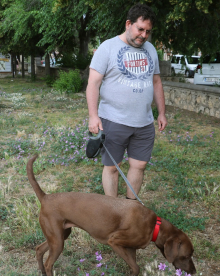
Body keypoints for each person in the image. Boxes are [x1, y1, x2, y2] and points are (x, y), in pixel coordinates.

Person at [86, 3, 167, 199]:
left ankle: (130, 210)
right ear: (128, 24)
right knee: (113, 168)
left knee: (139, 165)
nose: (144, 35)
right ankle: (112, 211)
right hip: (113, 120)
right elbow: (93, 84)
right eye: (140, 29)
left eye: (148, 31)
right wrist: (93, 116)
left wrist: (162, 113)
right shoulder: (108, 47)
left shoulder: (151, 50)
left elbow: (156, 82)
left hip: (144, 122)